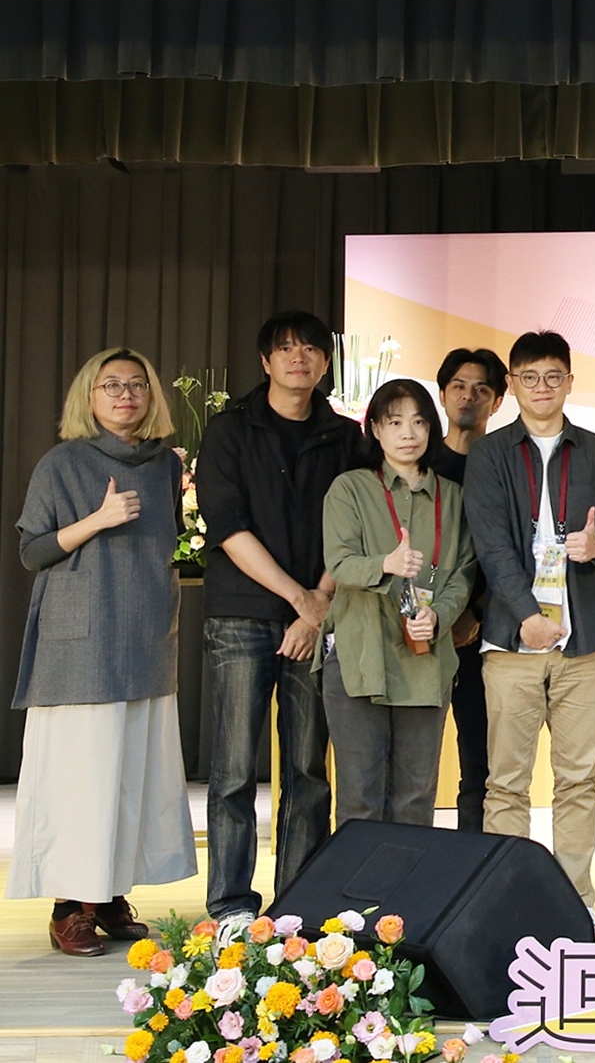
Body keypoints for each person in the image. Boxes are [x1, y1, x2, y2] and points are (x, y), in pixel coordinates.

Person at [9, 349, 195, 955]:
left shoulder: (166, 465)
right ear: (88, 396)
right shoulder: (62, 462)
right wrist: (99, 519)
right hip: (81, 643)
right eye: (111, 384)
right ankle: (70, 906)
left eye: (137, 384)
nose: (125, 394)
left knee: (132, 774)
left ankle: (110, 893)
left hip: (145, 636)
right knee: (81, 777)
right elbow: (32, 551)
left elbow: (174, 544)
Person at [196, 311, 364, 917]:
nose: (299, 358)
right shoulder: (230, 430)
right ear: (266, 361)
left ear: (325, 363)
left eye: (311, 349)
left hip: (316, 615)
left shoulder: (346, 437)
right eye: (286, 348)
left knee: (307, 768)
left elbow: (354, 530)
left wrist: (318, 605)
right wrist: (302, 600)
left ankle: (297, 904)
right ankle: (231, 906)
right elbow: (226, 525)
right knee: (235, 768)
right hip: (243, 614)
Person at [464, 331, 595, 928]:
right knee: (506, 782)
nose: (542, 387)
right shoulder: (489, 453)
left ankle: (574, 903)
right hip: (511, 642)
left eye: (553, 376)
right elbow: (490, 545)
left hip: (585, 643)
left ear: (569, 382)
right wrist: (528, 617)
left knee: (578, 780)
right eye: (529, 377)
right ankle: (507, 906)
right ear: (511, 384)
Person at [320, 379, 477, 827]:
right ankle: (359, 878)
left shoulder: (453, 495)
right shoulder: (349, 489)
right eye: (394, 422)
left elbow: (464, 571)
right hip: (361, 655)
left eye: (419, 422)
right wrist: (385, 564)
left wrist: (438, 615)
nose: (408, 433)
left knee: (416, 797)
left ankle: (408, 879)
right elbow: (339, 563)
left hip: (425, 659)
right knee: (360, 799)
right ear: (375, 429)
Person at [427, 347, 508, 831]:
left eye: (481, 389)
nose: (468, 397)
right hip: (420, 630)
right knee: (415, 764)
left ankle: (474, 857)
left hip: (484, 631)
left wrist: (473, 611)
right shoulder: (418, 460)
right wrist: (439, 613)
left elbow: (513, 551)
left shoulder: (504, 464)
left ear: (497, 402)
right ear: (442, 394)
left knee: (481, 764)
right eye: (458, 386)